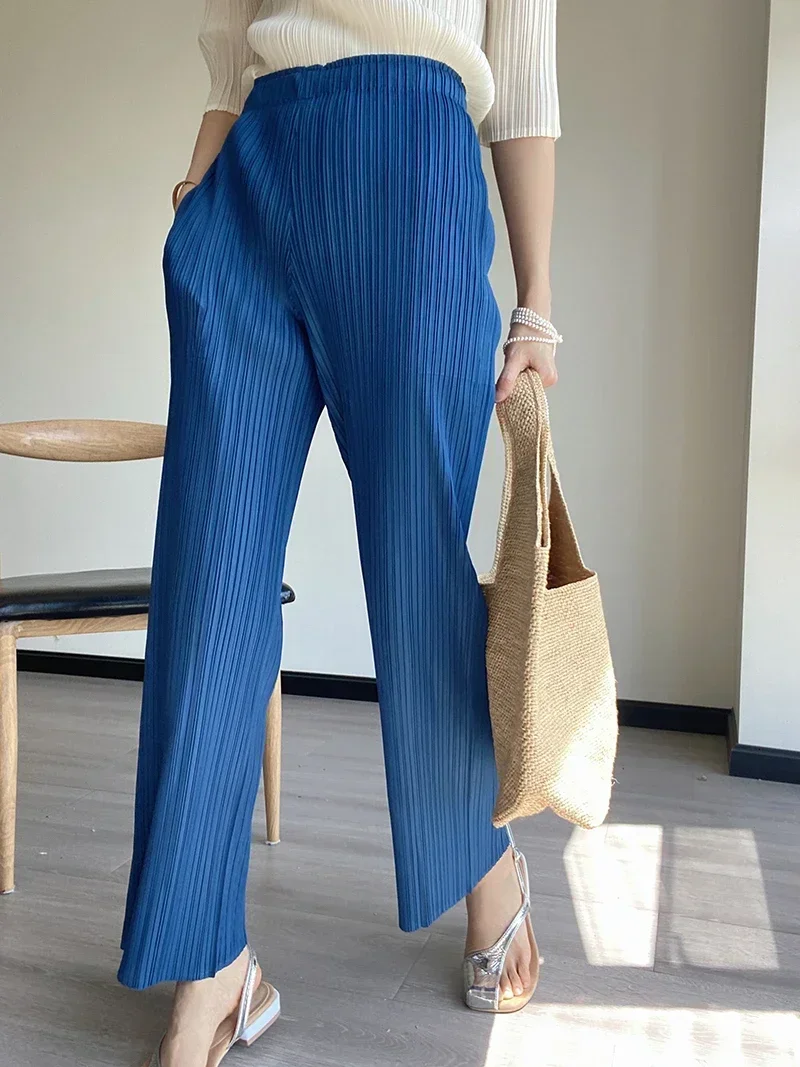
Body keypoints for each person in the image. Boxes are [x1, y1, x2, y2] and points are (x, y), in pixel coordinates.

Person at [122, 2, 562, 1064]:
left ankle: (483, 862)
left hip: (414, 159)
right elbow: (233, 47)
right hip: (252, 176)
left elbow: (523, 78)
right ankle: (208, 959)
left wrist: (536, 300)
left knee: (419, 575)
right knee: (206, 581)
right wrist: (195, 194)